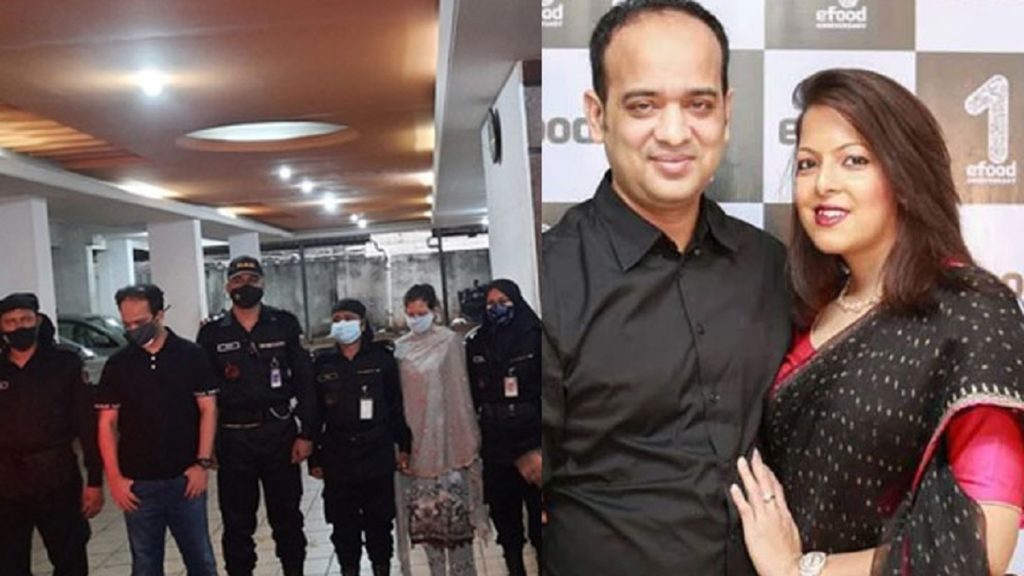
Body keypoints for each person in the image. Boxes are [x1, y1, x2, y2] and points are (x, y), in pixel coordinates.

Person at [728, 68, 1024, 576]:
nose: (823, 183)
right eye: (807, 163)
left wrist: (801, 569)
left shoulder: (972, 312)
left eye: (854, 160)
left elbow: (983, 546)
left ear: (905, 175)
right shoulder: (804, 310)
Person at [541, 1, 792, 574]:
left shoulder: (769, 266)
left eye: (699, 104)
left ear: (726, 112)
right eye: (643, 105)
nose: (675, 132)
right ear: (597, 115)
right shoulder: (549, 280)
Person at [196, 255, 318, 576]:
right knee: (237, 524)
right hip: (233, 439)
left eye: (252, 279)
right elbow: (202, 395)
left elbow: (305, 382)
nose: (245, 286)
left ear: (263, 283)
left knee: (287, 519)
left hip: (278, 434)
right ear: (227, 287)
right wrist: (207, 445)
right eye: (238, 280)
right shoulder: (212, 333)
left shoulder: (284, 323)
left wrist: (306, 434)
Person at [95, 284, 218, 576]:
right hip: (138, 484)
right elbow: (106, 423)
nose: (133, 330)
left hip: (185, 478)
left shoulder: (191, 355)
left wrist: (202, 463)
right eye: (127, 324)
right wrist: (115, 479)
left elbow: (208, 410)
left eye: (140, 322)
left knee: (201, 561)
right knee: (145, 564)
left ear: (159, 315)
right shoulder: (118, 364)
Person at [0, 293, 103, 576]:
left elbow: (87, 425)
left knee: (70, 559)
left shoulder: (64, 363)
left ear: (37, 320)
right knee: (9, 563)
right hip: (6, 484)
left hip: (58, 477)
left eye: (25, 319)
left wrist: (94, 481)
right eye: (10, 321)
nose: (18, 326)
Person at [309, 298, 412, 576]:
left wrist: (404, 446)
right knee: (343, 526)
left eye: (349, 318)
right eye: (337, 319)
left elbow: (395, 405)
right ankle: (349, 569)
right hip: (337, 454)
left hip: (376, 450)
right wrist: (314, 457)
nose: (342, 324)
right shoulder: (322, 363)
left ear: (363, 323)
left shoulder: (382, 358)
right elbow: (315, 413)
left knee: (379, 523)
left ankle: (381, 568)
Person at [394, 284, 487, 576]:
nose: (415, 319)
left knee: (457, 527)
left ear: (434, 311)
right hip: (417, 449)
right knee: (428, 527)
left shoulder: (449, 342)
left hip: (450, 447)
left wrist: (465, 439)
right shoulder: (401, 347)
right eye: (410, 314)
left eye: (421, 313)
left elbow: (460, 394)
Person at [464, 279, 542, 576]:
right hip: (496, 445)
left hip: (533, 439)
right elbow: (473, 394)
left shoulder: (536, 336)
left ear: (516, 301)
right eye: (490, 304)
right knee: (506, 518)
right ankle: (515, 568)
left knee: (541, 520)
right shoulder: (477, 342)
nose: (496, 308)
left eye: (503, 301)